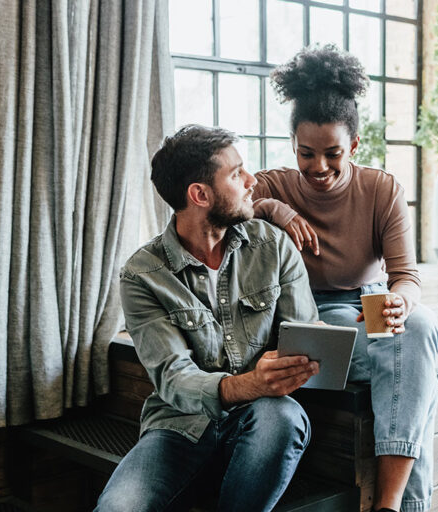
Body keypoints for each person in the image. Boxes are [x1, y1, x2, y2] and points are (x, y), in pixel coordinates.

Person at [252, 45, 438, 512]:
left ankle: (388, 506)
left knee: (416, 329)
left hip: (369, 300)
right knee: (416, 377)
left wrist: (402, 302)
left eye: (333, 153)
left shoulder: (381, 189)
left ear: (354, 145)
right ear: (293, 146)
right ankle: (406, 506)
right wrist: (277, 209)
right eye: (306, 154)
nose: (318, 167)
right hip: (309, 310)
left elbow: (407, 277)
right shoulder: (273, 183)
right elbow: (230, 205)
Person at [95, 124, 321, 512]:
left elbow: (305, 338)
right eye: (236, 174)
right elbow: (174, 377)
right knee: (117, 508)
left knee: (283, 418)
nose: (252, 181)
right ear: (199, 194)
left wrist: (299, 361)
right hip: (179, 426)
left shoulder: (273, 246)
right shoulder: (142, 274)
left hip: (262, 416)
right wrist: (248, 382)